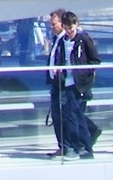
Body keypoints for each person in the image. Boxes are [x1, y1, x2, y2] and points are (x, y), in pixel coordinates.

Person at [60, 10, 100, 157]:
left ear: (76, 25)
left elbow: (95, 59)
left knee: (73, 114)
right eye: (66, 28)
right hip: (68, 82)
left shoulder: (83, 39)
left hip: (79, 83)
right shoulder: (62, 41)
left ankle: (80, 146)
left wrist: (85, 75)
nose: (69, 31)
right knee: (75, 114)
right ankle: (83, 146)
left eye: (71, 28)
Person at [44, 11, 71, 157]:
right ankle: (62, 145)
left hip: (63, 84)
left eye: (54, 24)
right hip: (56, 84)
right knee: (56, 116)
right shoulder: (56, 40)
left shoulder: (65, 40)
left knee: (64, 115)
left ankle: (67, 146)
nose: (52, 27)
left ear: (62, 23)